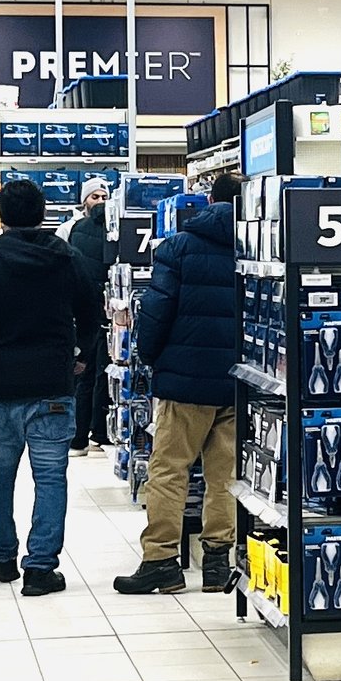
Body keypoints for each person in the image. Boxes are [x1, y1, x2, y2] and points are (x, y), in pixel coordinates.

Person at [0, 176, 100, 595]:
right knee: (50, 478)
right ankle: (41, 568)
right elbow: (92, 313)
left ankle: (1, 555)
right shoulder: (69, 258)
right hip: (53, 385)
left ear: (1, 216)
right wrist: (80, 354)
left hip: (0, 388)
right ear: (43, 213)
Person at [114, 185, 238, 595]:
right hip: (239, 380)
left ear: (208, 202)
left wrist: (147, 355)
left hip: (185, 379)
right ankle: (219, 561)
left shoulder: (178, 247)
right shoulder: (254, 244)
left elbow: (157, 307)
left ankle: (161, 560)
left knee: (169, 469)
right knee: (225, 474)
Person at [67, 177, 115, 455]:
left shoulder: (76, 229)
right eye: (94, 196)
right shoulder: (114, 229)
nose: (99, 201)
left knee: (85, 373)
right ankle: (100, 433)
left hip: (85, 311)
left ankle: (80, 438)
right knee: (101, 374)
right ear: (84, 199)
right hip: (108, 311)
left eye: (103, 196)